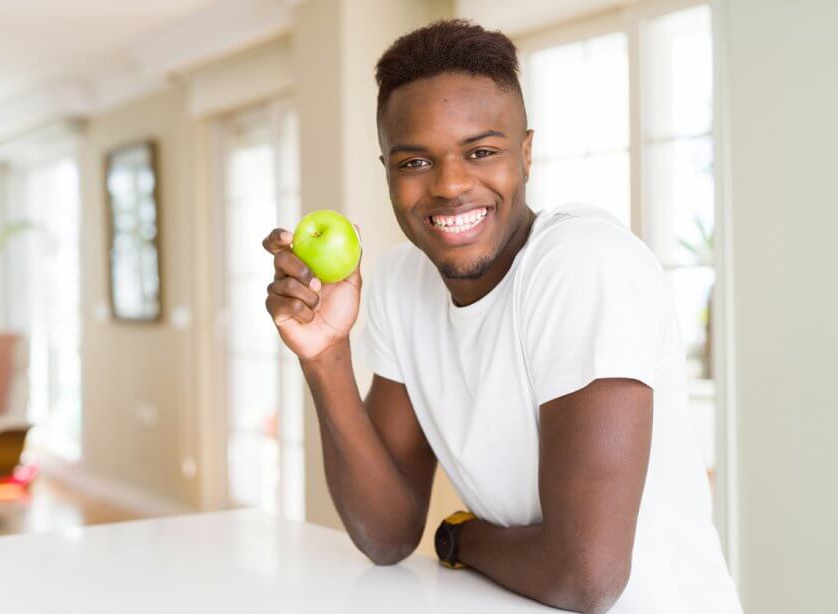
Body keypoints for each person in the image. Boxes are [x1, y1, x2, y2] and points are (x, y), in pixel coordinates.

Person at [262, 19, 742, 614]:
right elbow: (385, 535)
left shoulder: (581, 265)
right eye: (415, 163)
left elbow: (586, 578)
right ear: (386, 168)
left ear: (527, 153)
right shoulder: (396, 285)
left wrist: (459, 537)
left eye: (481, 151)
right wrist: (325, 357)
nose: (451, 184)